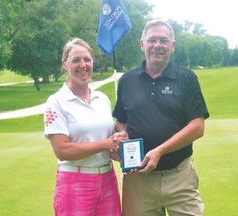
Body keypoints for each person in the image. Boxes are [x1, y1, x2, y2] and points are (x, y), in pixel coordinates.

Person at [112, 19, 210, 216]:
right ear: (142, 44)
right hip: (138, 180)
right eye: (152, 40)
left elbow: (198, 126)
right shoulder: (127, 81)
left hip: (179, 175)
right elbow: (121, 121)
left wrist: (160, 151)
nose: (158, 45)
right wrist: (121, 136)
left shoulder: (187, 78)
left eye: (164, 41)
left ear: (172, 46)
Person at [44, 38, 126, 216]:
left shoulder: (102, 98)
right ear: (65, 65)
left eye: (87, 59)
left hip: (108, 178)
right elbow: (62, 150)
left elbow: (109, 140)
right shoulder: (56, 102)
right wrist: (106, 144)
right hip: (75, 181)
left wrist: (119, 146)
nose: (83, 65)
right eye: (76, 60)